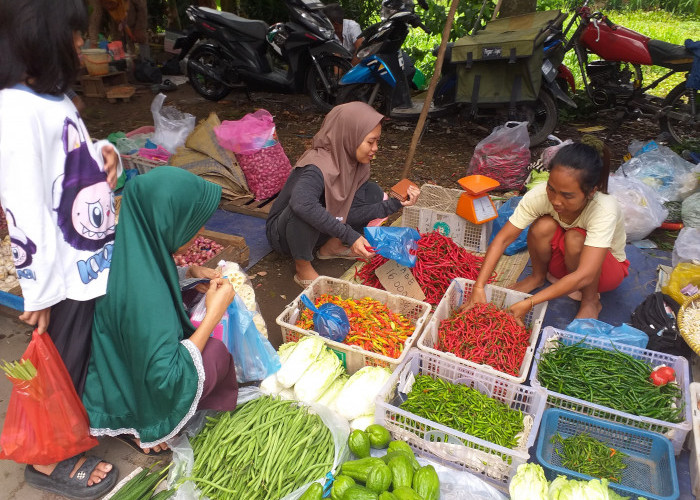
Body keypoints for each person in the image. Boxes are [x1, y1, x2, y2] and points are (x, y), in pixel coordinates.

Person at [0, 0, 122, 497]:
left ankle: (62, 436)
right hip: (59, 274)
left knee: (71, 358)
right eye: (73, 34)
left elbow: (70, 161)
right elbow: (24, 206)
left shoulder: (55, 99)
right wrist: (39, 292)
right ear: (39, 35)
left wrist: (103, 156)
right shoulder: (14, 108)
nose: (79, 43)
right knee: (55, 363)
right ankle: (46, 461)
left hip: (84, 262)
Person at [82, 167, 239, 453]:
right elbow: (167, 377)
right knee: (215, 352)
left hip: (112, 365)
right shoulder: (142, 289)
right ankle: (146, 424)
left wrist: (187, 272)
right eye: (193, 222)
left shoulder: (127, 239)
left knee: (192, 303)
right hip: (129, 384)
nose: (200, 231)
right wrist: (214, 313)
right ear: (168, 220)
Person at [464, 142, 628, 321]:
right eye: (551, 188)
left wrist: (530, 303)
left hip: (603, 270)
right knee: (542, 226)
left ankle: (590, 301)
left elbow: (586, 274)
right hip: (567, 259)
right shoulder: (540, 195)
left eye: (567, 195)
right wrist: (479, 287)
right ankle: (537, 276)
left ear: (591, 192)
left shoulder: (603, 209)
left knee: (574, 237)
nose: (556, 200)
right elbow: (503, 239)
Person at [266, 101, 420, 287]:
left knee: (372, 192)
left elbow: (349, 211)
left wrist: (396, 203)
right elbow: (302, 205)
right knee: (303, 206)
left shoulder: (355, 165)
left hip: (319, 230)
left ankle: (330, 247)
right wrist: (351, 236)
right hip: (285, 235)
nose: (376, 148)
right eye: (370, 142)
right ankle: (302, 268)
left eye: (377, 141)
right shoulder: (317, 166)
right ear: (350, 137)